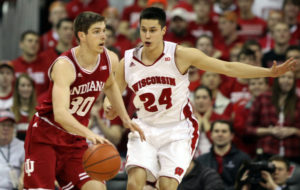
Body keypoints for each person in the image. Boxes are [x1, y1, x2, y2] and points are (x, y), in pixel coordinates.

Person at [104, 7, 295, 190]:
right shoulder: (127, 61)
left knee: (166, 186)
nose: (147, 35)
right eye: (143, 30)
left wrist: (268, 72)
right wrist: (108, 105)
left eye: (152, 30)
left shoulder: (181, 55)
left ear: (163, 30)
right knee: (133, 184)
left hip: (176, 129)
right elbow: (112, 91)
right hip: (144, 126)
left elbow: (227, 68)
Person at [23, 11, 145, 190]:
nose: (103, 35)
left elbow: (110, 85)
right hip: (45, 136)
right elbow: (61, 114)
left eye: (104, 30)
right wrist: (89, 134)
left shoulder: (109, 58)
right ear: (82, 35)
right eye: (96, 31)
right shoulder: (65, 65)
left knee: (96, 187)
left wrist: (125, 119)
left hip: (74, 141)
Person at [197, 120, 251, 190]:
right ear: (211, 135)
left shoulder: (243, 159)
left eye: (224, 131)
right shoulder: (201, 160)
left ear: (232, 136)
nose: (220, 134)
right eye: (216, 131)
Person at [0, 109, 25, 190]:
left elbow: (26, 168)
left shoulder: (21, 146)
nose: (6, 128)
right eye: (3, 125)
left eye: (10, 125)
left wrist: (23, 177)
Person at [11, 74, 36, 141]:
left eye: (29, 85)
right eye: (23, 85)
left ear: (32, 88)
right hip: (15, 150)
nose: (26, 88)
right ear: (17, 88)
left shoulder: (39, 112)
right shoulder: (10, 111)